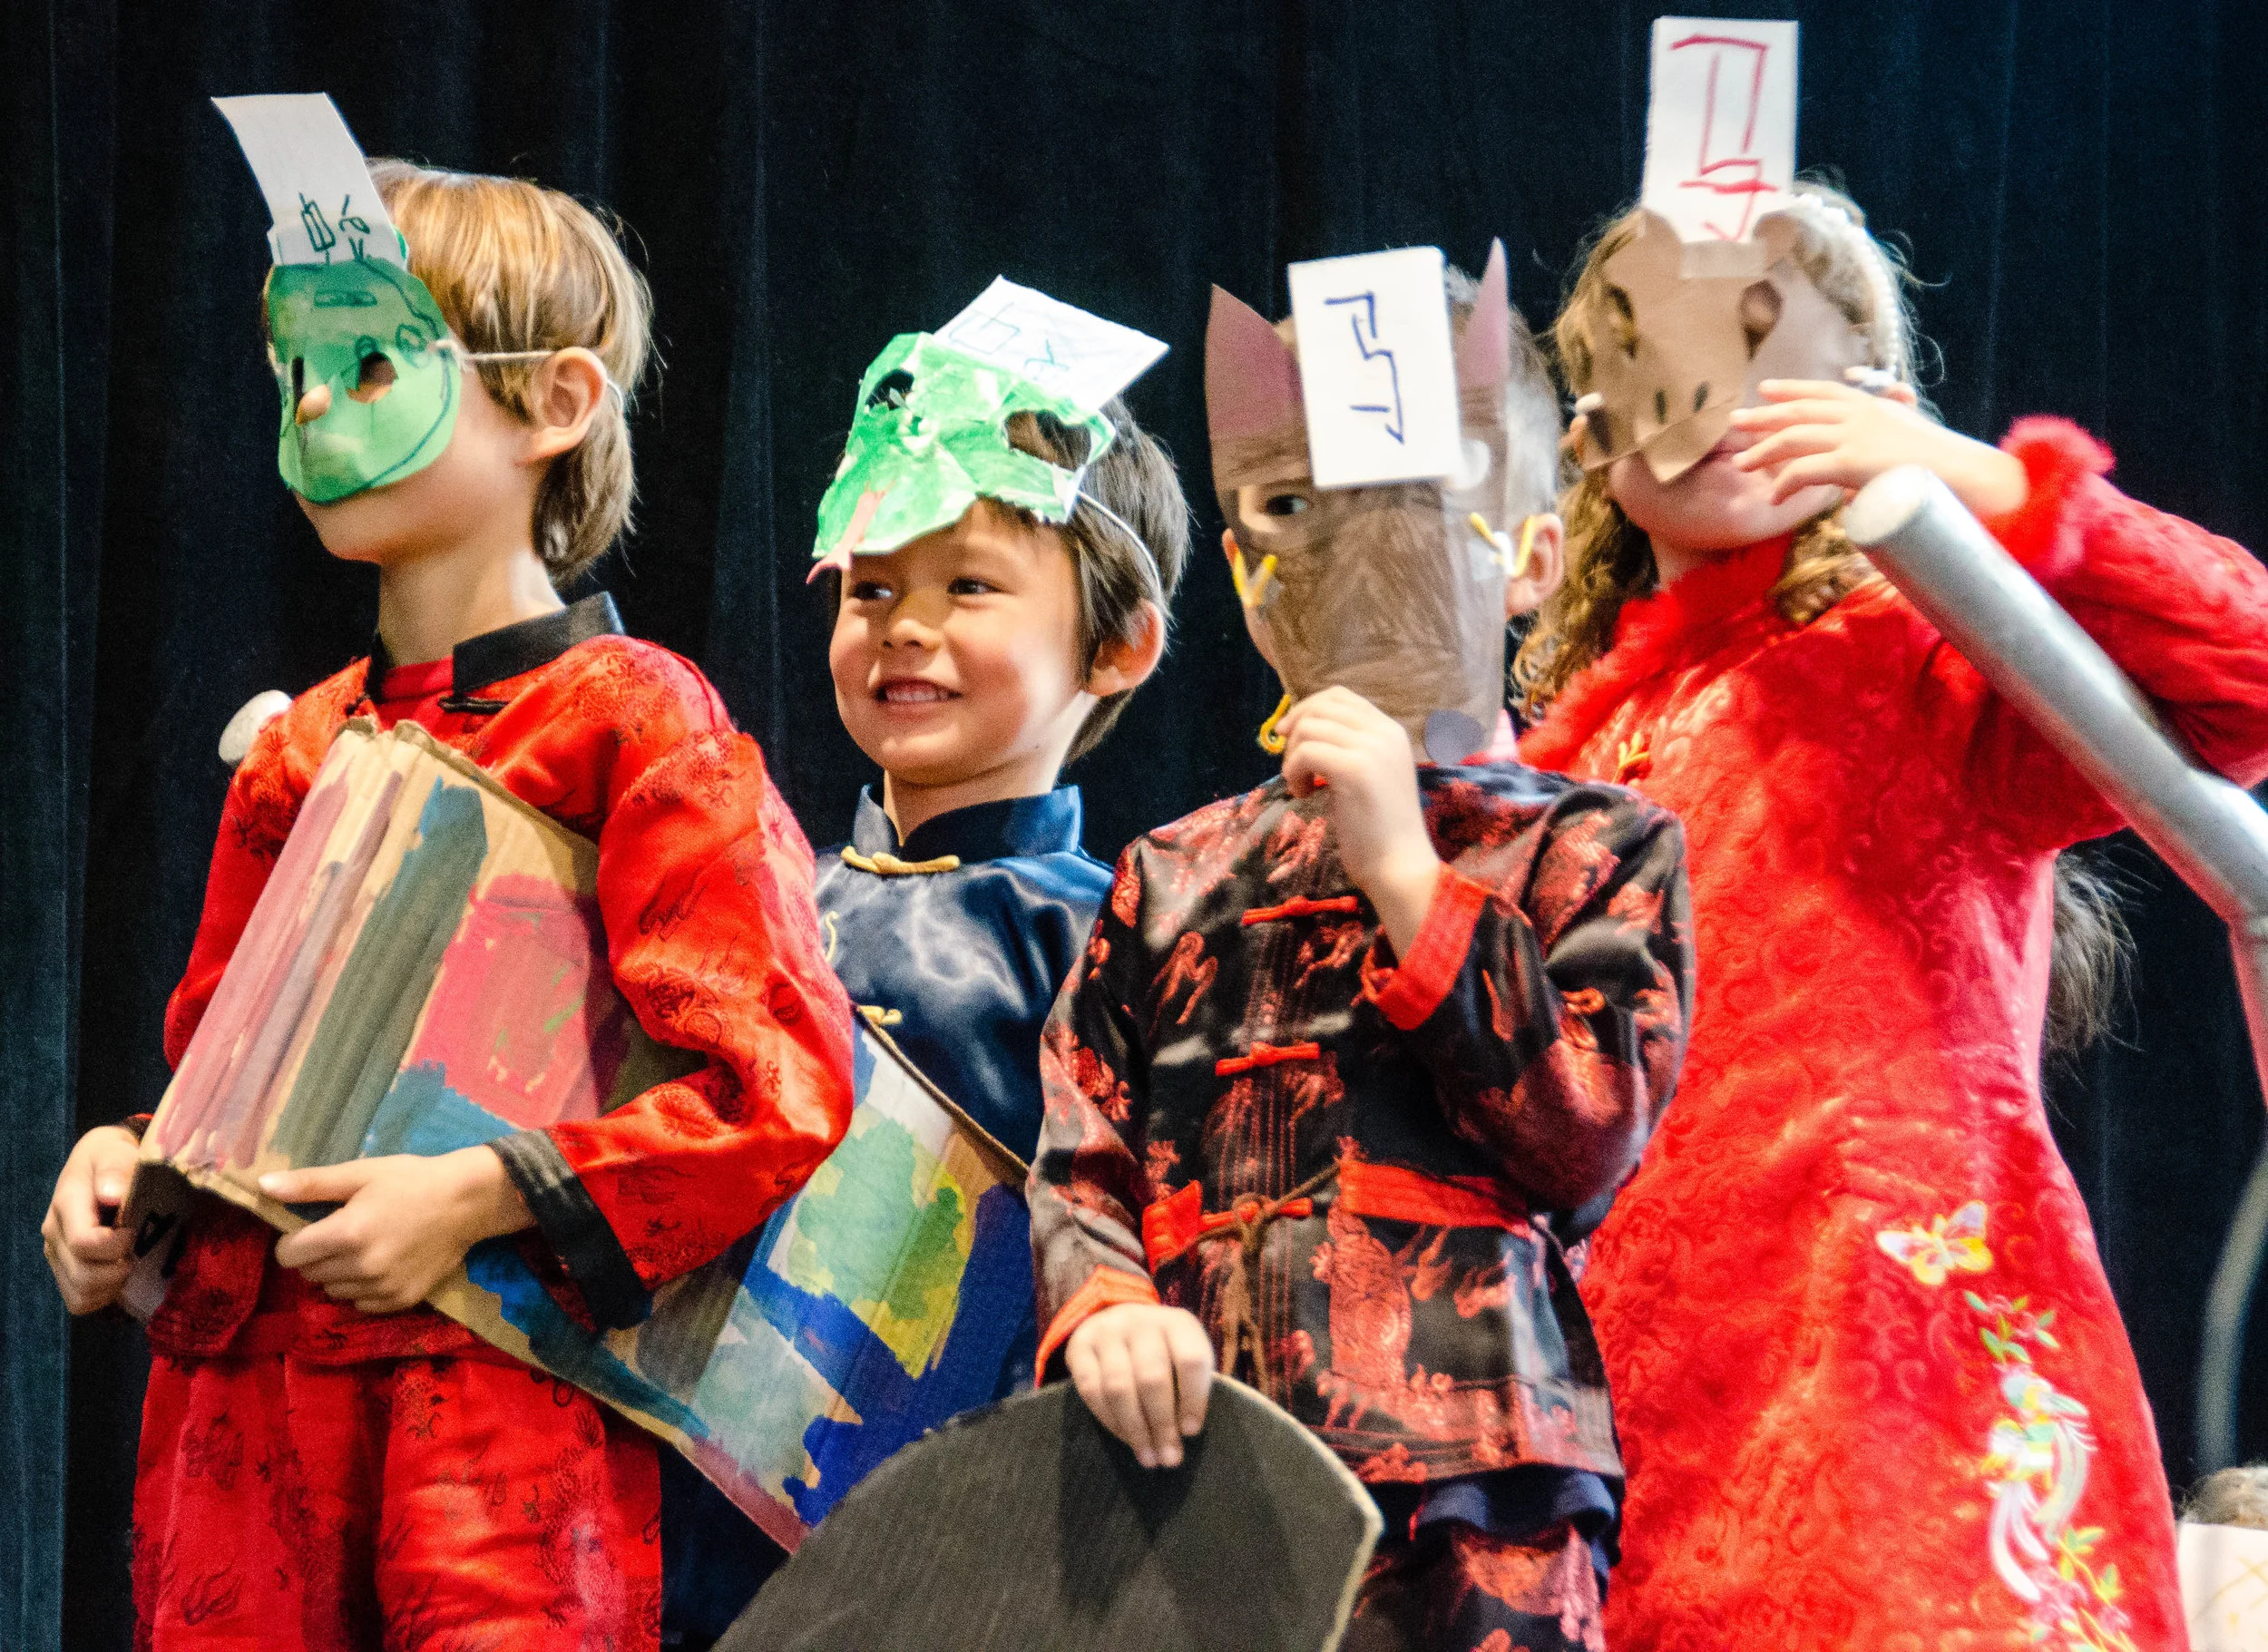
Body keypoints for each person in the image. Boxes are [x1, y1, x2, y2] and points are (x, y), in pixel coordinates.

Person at [40, 152, 854, 1650]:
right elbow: (227, 1080)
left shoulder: (633, 723)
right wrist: (123, 1170)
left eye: (370, 363)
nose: (316, 409)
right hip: (249, 1432)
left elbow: (776, 1085)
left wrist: (476, 1197)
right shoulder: (297, 752)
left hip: (487, 1431)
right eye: (296, 370)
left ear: (555, 403)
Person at [1516, 181, 2268, 1650]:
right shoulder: (1564, 760)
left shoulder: (1926, 652)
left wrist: (1967, 485)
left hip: (1895, 1364)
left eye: (1768, 341)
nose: (1722, 396)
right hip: (1629, 1406)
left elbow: (2243, 671)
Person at [1030, 249, 1694, 1652]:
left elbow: (1586, 1133)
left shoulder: (1598, 847)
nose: (1343, 558)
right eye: (1287, 508)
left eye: (1411, 507)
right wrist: (1101, 1309)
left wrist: (1408, 871)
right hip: (1202, 1493)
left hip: (1474, 1482)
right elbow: (1084, 1151)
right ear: (1242, 570)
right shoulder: (1170, 873)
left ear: (1528, 554)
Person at [661, 306, 1192, 1647]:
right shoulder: (759, 882)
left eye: (968, 588)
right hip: (670, 1495)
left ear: (1119, 645)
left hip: (929, 1531)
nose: (905, 628)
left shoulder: (1107, 931)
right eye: (870, 587)